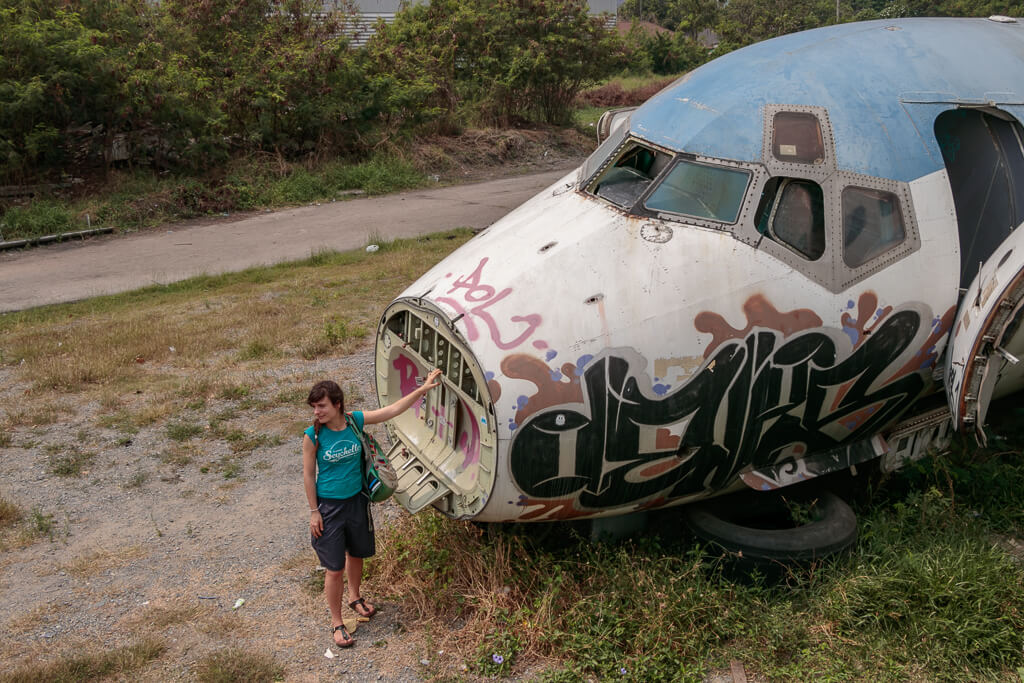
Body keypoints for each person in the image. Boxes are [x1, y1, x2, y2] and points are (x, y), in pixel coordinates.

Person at [303, 368, 443, 648]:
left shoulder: (355, 421)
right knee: (334, 568)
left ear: (337, 404)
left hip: (357, 502)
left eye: (322, 406)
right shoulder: (312, 436)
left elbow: (391, 410)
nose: (316, 412)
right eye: (314, 407)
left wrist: (423, 390)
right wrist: (314, 511)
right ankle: (337, 622)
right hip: (329, 507)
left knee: (357, 554)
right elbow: (308, 475)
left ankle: (355, 597)